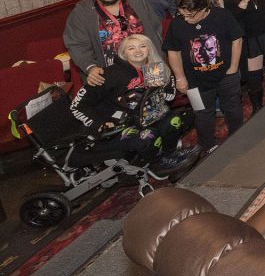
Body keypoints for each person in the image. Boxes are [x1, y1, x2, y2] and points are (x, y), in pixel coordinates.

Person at [69, 34, 197, 173]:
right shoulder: (107, 75)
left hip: (145, 119)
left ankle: (169, 155)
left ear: (149, 49)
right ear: (124, 53)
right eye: (131, 48)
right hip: (115, 128)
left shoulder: (154, 69)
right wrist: (100, 123)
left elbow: (169, 97)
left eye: (142, 46)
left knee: (175, 120)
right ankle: (157, 164)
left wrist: (163, 85)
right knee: (148, 135)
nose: (138, 51)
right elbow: (77, 106)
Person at [165, 0, 244, 153]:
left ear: (204, 9)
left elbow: (237, 38)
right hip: (194, 80)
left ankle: (238, 137)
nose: (186, 19)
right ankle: (206, 146)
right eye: (182, 14)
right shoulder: (177, 23)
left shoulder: (222, 16)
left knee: (233, 107)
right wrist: (180, 78)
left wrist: (234, 67)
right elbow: (173, 51)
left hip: (226, 75)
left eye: (190, 15)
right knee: (202, 114)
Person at [64, 0, 164, 87]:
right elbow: (77, 44)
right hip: (109, 75)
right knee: (121, 104)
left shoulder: (138, 2)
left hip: (149, 67)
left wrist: (159, 61)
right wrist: (91, 67)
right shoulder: (82, 12)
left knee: (155, 99)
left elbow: (156, 32)